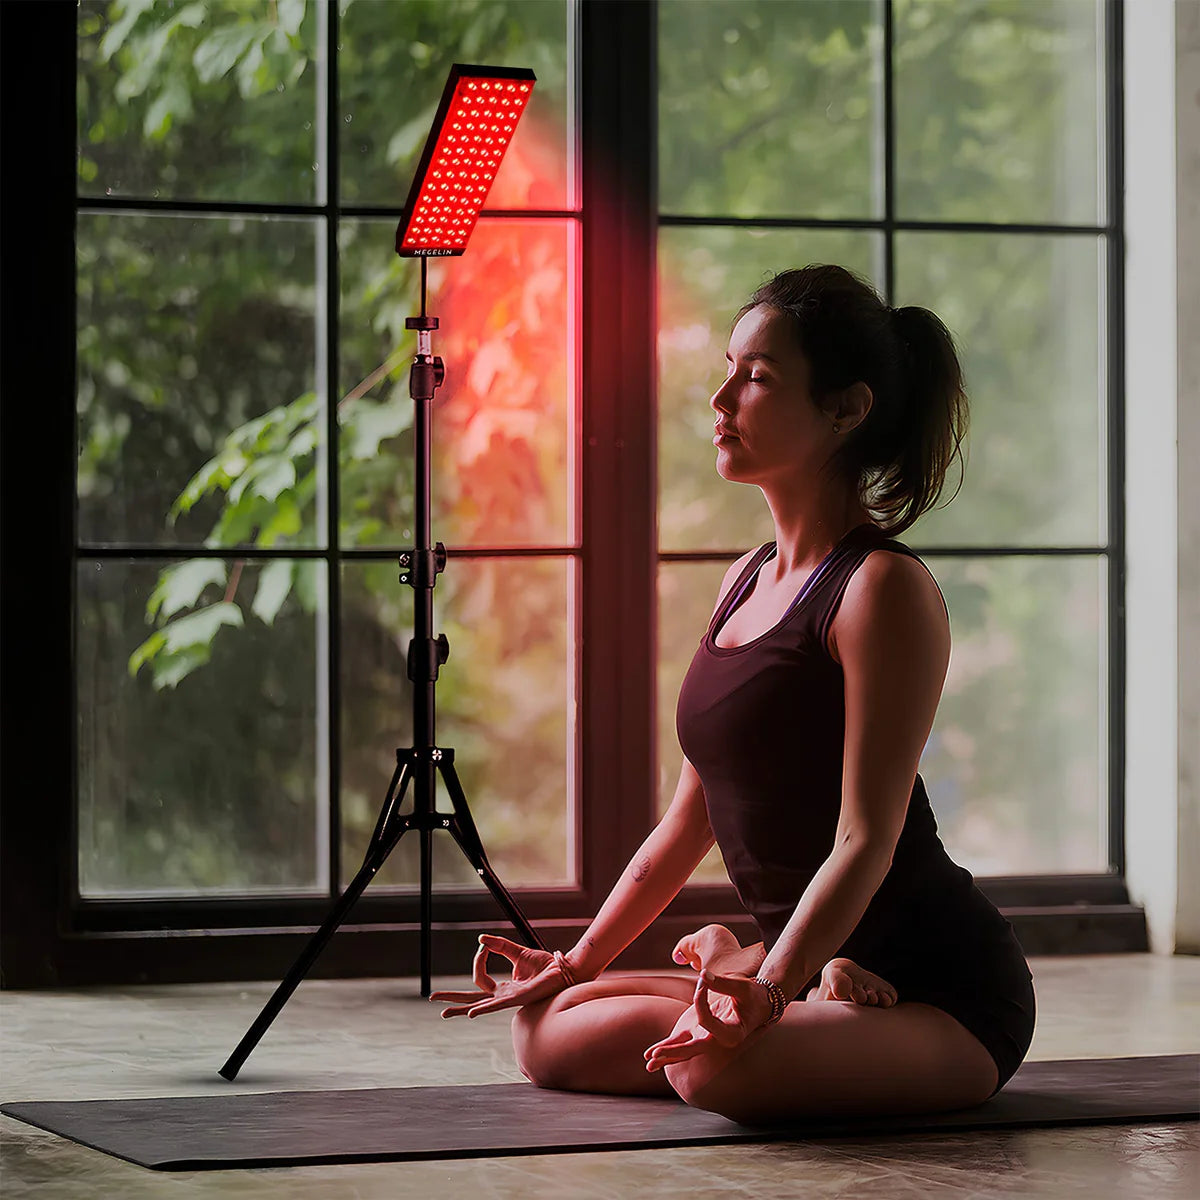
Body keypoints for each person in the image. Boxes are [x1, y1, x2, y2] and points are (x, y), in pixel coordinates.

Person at [431, 264, 1036, 1126]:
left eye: (755, 379)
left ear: (846, 409)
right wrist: (578, 960)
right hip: (798, 964)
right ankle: (754, 974)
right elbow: (689, 821)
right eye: (726, 369)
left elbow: (867, 837)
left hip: (942, 996)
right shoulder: (744, 580)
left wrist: (771, 991)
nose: (720, 399)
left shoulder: (880, 591)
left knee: (712, 1076)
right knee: (546, 1030)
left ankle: (777, 983)